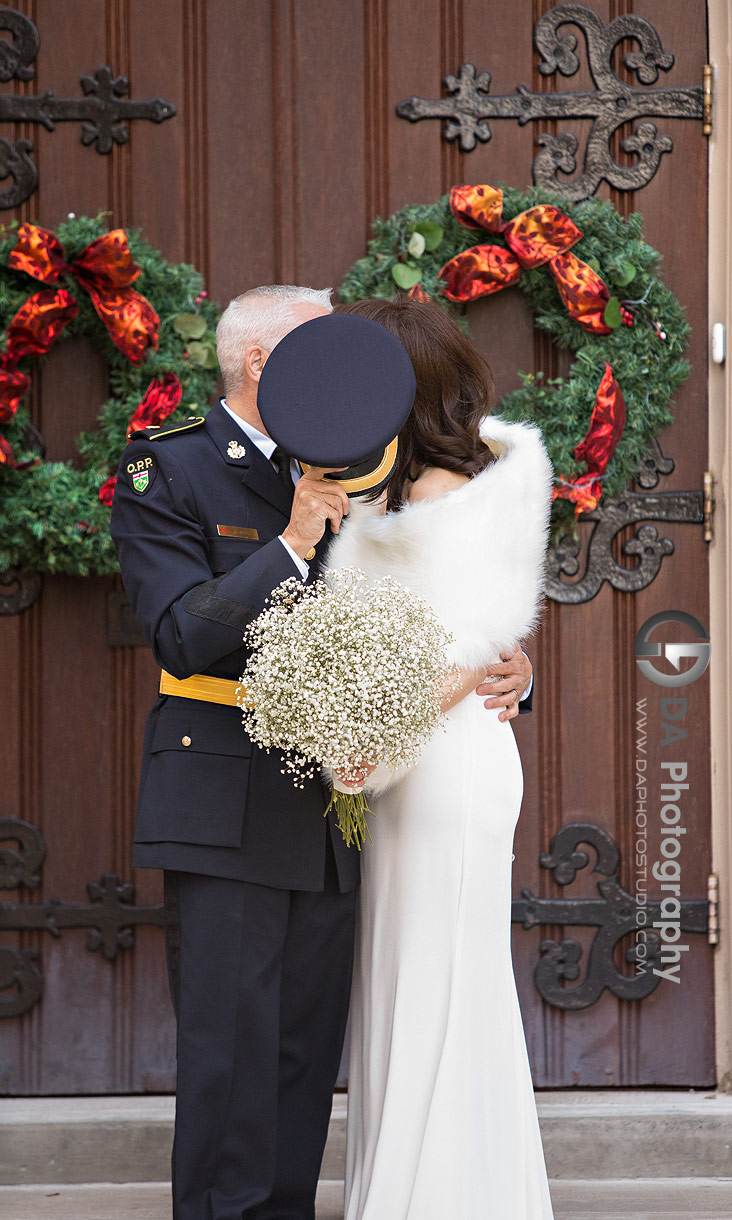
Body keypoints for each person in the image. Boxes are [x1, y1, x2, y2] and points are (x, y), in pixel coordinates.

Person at [110, 283, 533, 1220]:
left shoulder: (360, 461)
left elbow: (435, 612)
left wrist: (508, 666)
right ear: (263, 362)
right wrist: (294, 540)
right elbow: (181, 635)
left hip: (335, 806)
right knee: (231, 1058)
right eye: (323, 344)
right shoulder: (170, 472)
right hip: (224, 803)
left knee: (302, 1063)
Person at [328, 295, 556, 1220]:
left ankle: (445, 1197)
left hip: (439, 765)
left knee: (440, 977)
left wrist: (357, 744)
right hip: (423, 764)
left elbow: (465, 654)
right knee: (411, 971)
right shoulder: (402, 493)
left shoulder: (438, 501)